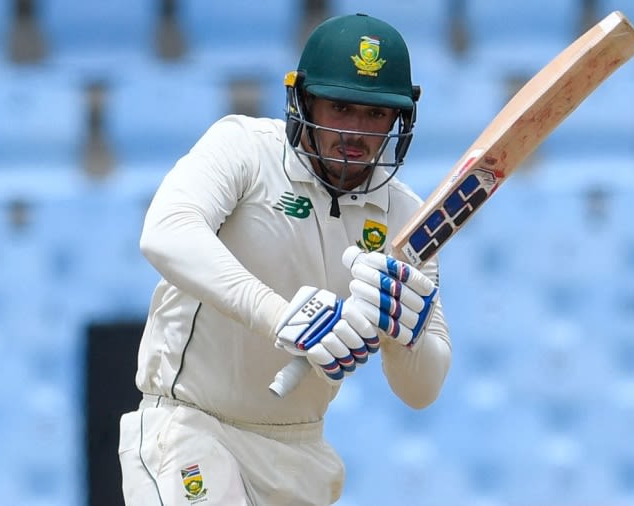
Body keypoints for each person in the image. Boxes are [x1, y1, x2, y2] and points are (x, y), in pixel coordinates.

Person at [118, 13, 451, 506]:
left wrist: (409, 336)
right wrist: (280, 315)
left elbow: (422, 391)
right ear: (303, 100)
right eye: (340, 107)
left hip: (301, 454)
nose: (356, 132)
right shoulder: (245, 149)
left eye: (375, 114)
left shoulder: (405, 216)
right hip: (193, 427)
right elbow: (165, 232)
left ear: (398, 121)